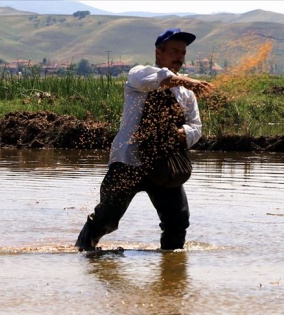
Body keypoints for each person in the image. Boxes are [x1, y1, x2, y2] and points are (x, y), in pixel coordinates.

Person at [75, 28, 213, 251]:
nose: (179, 56)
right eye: (174, 51)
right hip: (129, 162)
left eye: (183, 53)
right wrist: (187, 81)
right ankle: (83, 251)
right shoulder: (139, 75)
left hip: (164, 165)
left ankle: (171, 269)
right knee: (107, 219)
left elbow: (196, 127)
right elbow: (161, 79)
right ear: (159, 52)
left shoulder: (186, 94)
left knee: (177, 222)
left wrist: (182, 133)